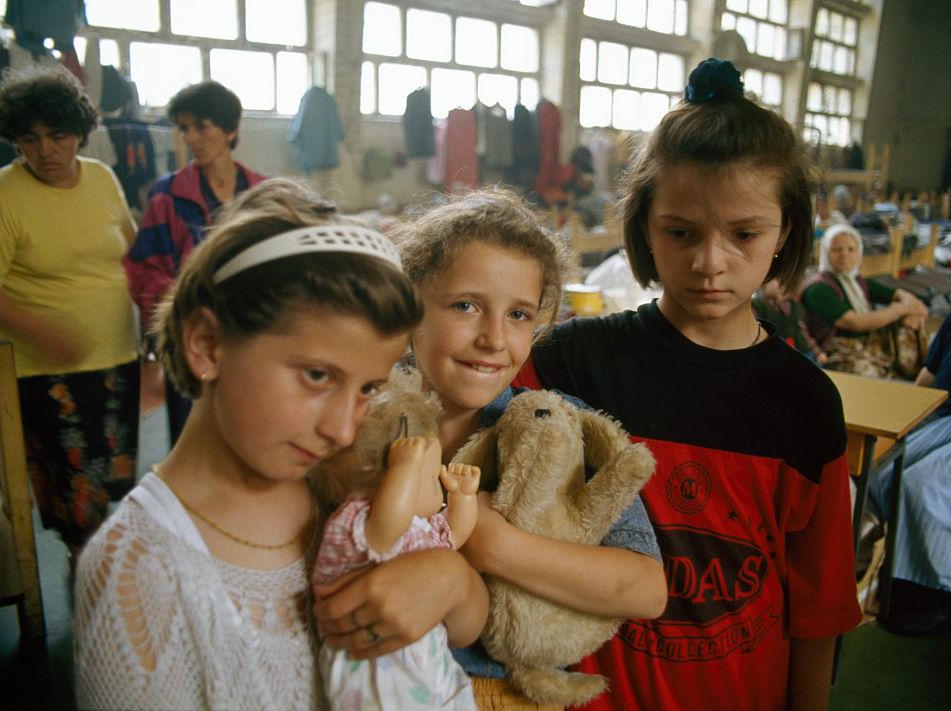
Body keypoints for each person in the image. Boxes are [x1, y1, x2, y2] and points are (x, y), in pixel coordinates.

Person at [513, 59, 863, 711]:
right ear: (644, 226)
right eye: (681, 232)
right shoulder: (572, 362)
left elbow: (817, 612)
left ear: (786, 230)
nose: (710, 261)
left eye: (744, 234)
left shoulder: (806, 402)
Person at [75, 178, 488, 709]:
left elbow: (468, 625)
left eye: (368, 389)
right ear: (206, 345)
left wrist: (450, 578)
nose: (343, 429)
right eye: (317, 375)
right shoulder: (138, 571)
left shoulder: (340, 479)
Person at [394, 188, 667, 710]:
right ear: (408, 307)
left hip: (505, 694)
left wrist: (493, 542)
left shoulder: (554, 424)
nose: (494, 339)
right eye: (466, 306)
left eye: (519, 315)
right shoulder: (364, 414)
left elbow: (646, 589)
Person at [0, 64, 139, 557]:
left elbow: (131, 251)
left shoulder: (102, 179)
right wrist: (41, 330)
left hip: (116, 356)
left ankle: (106, 584)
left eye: (57, 136)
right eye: (30, 139)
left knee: (114, 488)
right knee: (77, 508)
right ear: (14, 139)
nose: (45, 151)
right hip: (46, 371)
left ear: (80, 133)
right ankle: (88, 595)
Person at [123, 80, 265, 445]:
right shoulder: (169, 195)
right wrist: (184, 309)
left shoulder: (260, 194)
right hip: (192, 339)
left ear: (231, 130)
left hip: (251, 335)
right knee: (194, 437)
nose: (191, 138)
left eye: (202, 126)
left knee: (249, 429)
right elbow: (144, 268)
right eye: (185, 128)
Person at [312, 431, 481, 709]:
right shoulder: (361, 524)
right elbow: (387, 525)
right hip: (377, 672)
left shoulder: (424, 531)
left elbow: (456, 534)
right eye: (428, 479)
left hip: (432, 671)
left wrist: (462, 496)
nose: (437, 486)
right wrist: (404, 468)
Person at [868, 244, 951, 637]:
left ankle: (949, 592)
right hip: (944, 418)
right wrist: (901, 419)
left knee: (927, 485)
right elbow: (929, 376)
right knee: (883, 472)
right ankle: (904, 575)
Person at [802, 223, 928, 379]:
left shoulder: (855, 280)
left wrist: (912, 311)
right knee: (867, 372)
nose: (844, 254)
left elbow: (904, 296)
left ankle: (915, 374)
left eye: (851, 249)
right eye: (836, 250)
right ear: (825, 252)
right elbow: (856, 323)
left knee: (911, 322)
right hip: (836, 349)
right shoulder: (818, 288)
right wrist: (902, 309)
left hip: (866, 341)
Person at [752, 278, 826, 364]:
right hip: (772, 357)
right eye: (778, 278)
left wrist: (817, 352)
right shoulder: (757, 305)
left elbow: (802, 331)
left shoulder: (794, 307)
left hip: (800, 353)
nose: (784, 284)